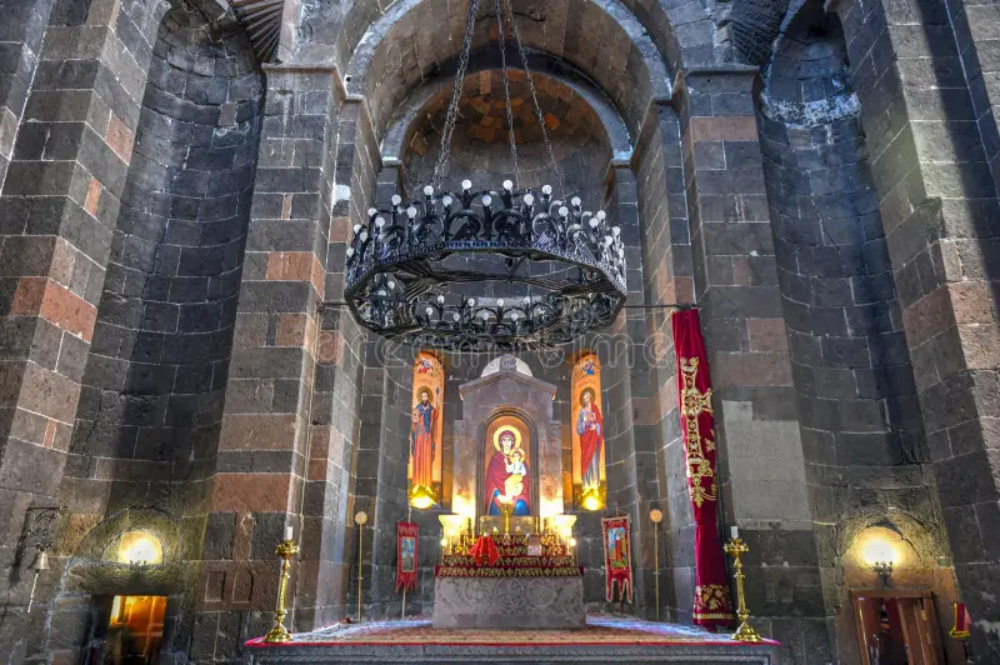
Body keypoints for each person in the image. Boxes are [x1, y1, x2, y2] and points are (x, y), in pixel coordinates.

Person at [484, 429, 530, 515]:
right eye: (504, 440)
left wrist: (519, 487)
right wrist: (498, 495)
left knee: (521, 506)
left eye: (509, 440)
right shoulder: (495, 459)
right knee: (495, 511)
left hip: (516, 495)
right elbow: (490, 482)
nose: (506, 442)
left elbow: (526, 478)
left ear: (512, 442)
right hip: (499, 496)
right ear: (500, 442)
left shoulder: (520, 460)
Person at [577, 388, 604, 489]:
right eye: (584, 397)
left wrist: (595, 426)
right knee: (585, 460)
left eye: (587, 397)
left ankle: (595, 484)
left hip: (594, 440)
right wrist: (584, 423)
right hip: (585, 440)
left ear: (591, 398)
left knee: (594, 459)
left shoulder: (595, 409)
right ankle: (586, 485)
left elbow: (600, 425)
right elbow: (579, 429)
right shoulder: (582, 412)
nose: (586, 399)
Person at [410, 388, 437, 493]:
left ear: (428, 397)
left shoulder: (432, 409)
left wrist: (438, 398)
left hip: (428, 436)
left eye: (426, 396)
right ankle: (417, 483)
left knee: (427, 458)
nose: (424, 398)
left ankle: (427, 485)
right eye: (422, 396)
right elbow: (413, 423)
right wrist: (416, 427)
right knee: (418, 458)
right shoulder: (417, 408)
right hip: (419, 437)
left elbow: (436, 416)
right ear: (420, 398)